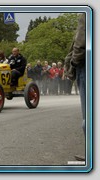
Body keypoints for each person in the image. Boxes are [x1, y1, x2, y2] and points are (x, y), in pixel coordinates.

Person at [64, 13, 86, 161]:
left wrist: (73, 62)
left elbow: (81, 42)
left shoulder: (88, 13)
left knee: (89, 115)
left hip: (87, 65)